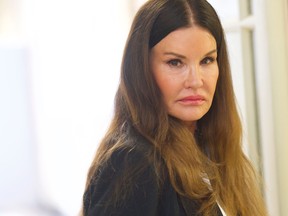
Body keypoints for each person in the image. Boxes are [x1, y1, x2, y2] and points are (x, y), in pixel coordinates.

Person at [81, 0, 268, 215]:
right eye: (175, 63)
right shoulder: (135, 161)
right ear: (142, 70)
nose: (196, 81)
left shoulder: (210, 150)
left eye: (207, 60)